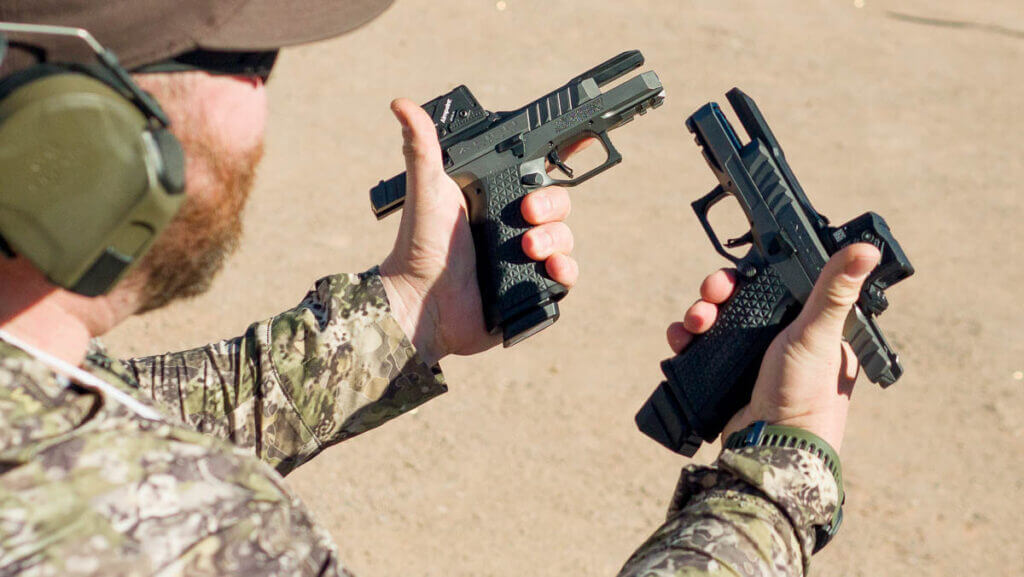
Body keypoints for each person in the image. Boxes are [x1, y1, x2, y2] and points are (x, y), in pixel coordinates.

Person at [0, 2, 881, 575]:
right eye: (250, 58)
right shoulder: (208, 540)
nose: (270, 95)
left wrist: (400, 313)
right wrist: (778, 475)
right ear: (73, 124)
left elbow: (107, 419)